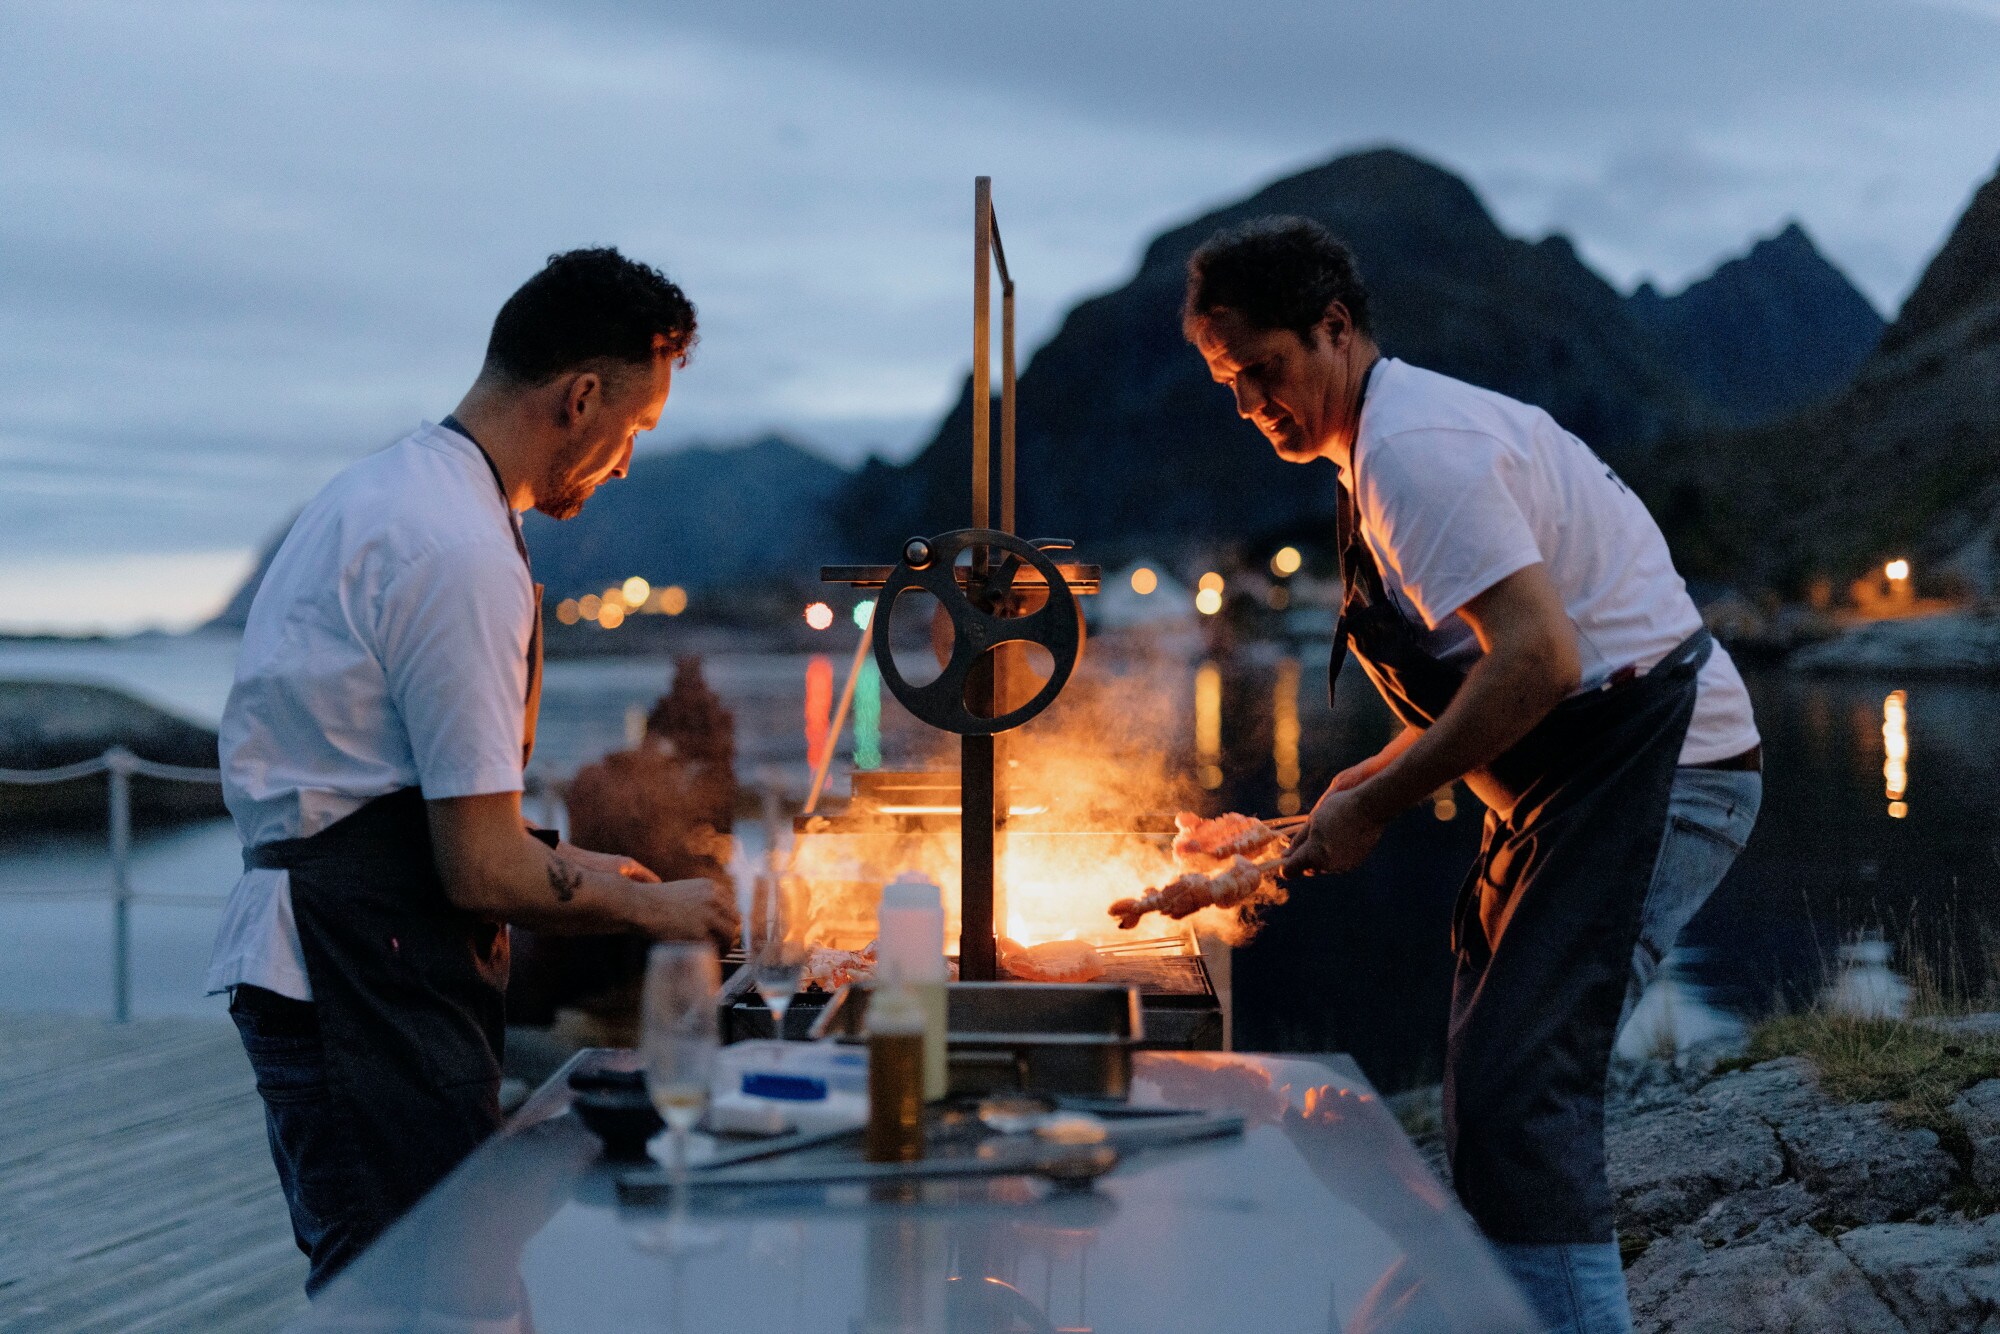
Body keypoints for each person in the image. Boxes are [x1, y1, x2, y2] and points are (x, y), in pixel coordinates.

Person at [1184, 219, 1762, 1334]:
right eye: (1228, 381)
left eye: (1265, 369)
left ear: (1333, 329)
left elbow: (1539, 660)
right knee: (1488, 1085)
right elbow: (1490, 683)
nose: (1251, 402)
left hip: (1665, 772)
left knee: (1518, 1091)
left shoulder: (1412, 451)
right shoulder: (1375, 447)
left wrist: (1375, 803)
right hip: (1577, 783)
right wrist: (1324, 808)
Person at [206, 247, 739, 1295]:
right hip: (354, 972)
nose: (626, 462)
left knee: (418, 1286)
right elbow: (478, 868)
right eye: (632, 431)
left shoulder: (396, 491)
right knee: (429, 1298)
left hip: (344, 950)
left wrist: (604, 871)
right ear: (580, 397)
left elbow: (387, 794)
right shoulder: (454, 546)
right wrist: (653, 912)